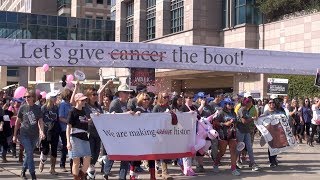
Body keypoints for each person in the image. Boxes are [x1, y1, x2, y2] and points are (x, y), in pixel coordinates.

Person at [13, 90, 45, 180]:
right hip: (24, 134)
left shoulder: (38, 108)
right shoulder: (22, 108)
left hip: (34, 135)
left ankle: (23, 170)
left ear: (33, 98)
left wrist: (42, 131)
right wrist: (15, 135)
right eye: (25, 97)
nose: (26, 98)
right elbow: (17, 122)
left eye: (28, 96)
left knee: (28, 153)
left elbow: (41, 121)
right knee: (30, 152)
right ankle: (33, 174)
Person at [103, 84, 133, 180]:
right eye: (125, 92)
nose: (127, 94)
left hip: (124, 132)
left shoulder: (126, 104)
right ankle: (106, 172)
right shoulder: (115, 103)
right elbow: (112, 117)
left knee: (125, 155)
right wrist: (126, 114)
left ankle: (122, 177)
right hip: (115, 133)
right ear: (120, 93)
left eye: (128, 93)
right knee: (113, 153)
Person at [66, 93, 92, 180]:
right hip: (75, 137)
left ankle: (80, 176)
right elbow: (68, 127)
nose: (84, 101)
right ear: (77, 101)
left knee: (87, 159)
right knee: (76, 161)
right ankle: (76, 178)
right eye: (82, 100)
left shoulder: (84, 111)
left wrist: (91, 119)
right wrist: (68, 142)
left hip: (84, 136)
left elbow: (84, 122)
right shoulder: (72, 111)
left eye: (85, 100)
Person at [212, 98, 240, 176]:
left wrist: (234, 125)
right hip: (223, 135)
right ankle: (216, 164)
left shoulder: (233, 113)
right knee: (222, 152)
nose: (230, 105)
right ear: (225, 104)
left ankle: (233, 168)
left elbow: (235, 123)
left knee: (233, 152)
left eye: (231, 104)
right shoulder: (221, 112)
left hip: (232, 134)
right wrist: (224, 124)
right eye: (228, 104)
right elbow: (215, 122)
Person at [132, 92, 156, 180]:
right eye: (144, 99)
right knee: (137, 157)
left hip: (149, 137)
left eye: (148, 99)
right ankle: (132, 175)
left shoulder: (150, 110)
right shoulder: (137, 109)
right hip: (139, 137)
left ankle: (153, 176)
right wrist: (135, 115)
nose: (146, 101)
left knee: (151, 156)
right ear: (140, 100)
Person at [152, 92, 174, 179]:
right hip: (157, 132)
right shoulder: (157, 107)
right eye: (165, 97)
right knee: (159, 152)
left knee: (164, 151)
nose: (166, 98)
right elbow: (152, 119)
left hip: (165, 131)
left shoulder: (168, 107)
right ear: (161, 97)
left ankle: (164, 172)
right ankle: (158, 170)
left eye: (167, 97)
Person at [38, 92, 60, 175]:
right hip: (46, 130)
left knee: (54, 150)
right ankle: (42, 161)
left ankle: (52, 168)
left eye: (55, 97)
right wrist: (41, 131)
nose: (55, 98)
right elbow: (40, 121)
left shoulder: (56, 108)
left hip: (55, 130)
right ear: (49, 98)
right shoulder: (43, 108)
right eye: (53, 97)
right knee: (45, 149)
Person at [84, 87, 104, 180]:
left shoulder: (98, 106)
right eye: (93, 94)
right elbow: (83, 119)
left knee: (96, 152)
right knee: (91, 152)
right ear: (88, 96)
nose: (96, 96)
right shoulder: (86, 106)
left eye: (96, 94)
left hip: (98, 131)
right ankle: (89, 168)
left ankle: (90, 167)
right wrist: (91, 118)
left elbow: (102, 116)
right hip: (89, 131)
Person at [236, 97, 260, 171]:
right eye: (249, 102)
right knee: (239, 148)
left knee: (249, 147)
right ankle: (236, 162)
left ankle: (252, 163)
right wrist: (252, 118)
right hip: (240, 131)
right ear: (245, 103)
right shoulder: (242, 110)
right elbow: (244, 121)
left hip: (246, 131)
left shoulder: (245, 110)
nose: (250, 103)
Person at [58, 89, 73, 172]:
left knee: (70, 147)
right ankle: (62, 164)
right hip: (64, 129)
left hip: (70, 128)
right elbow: (60, 117)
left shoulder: (69, 104)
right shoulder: (63, 104)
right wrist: (69, 121)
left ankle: (71, 165)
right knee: (65, 146)